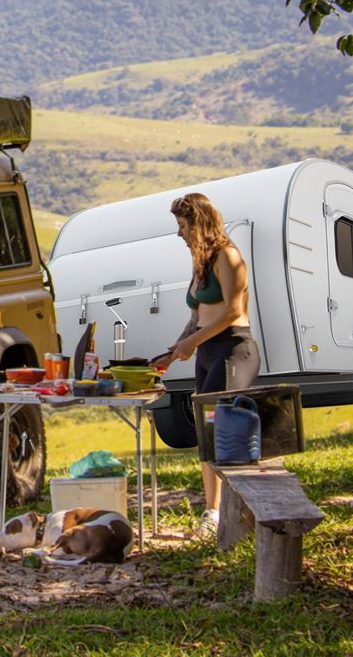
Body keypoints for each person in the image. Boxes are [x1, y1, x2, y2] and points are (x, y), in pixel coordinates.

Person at [155, 192, 261, 534]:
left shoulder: (228, 257)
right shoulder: (200, 262)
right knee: (206, 432)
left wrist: (191, 343)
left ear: (199, 224)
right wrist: (171, 354)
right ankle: (212, 513)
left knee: (224, 431)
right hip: (207, 352)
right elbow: (197, 316)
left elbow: (232, 310)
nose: (179, 234)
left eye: (183, 226)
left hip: (233, 350)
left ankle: (236, 511)